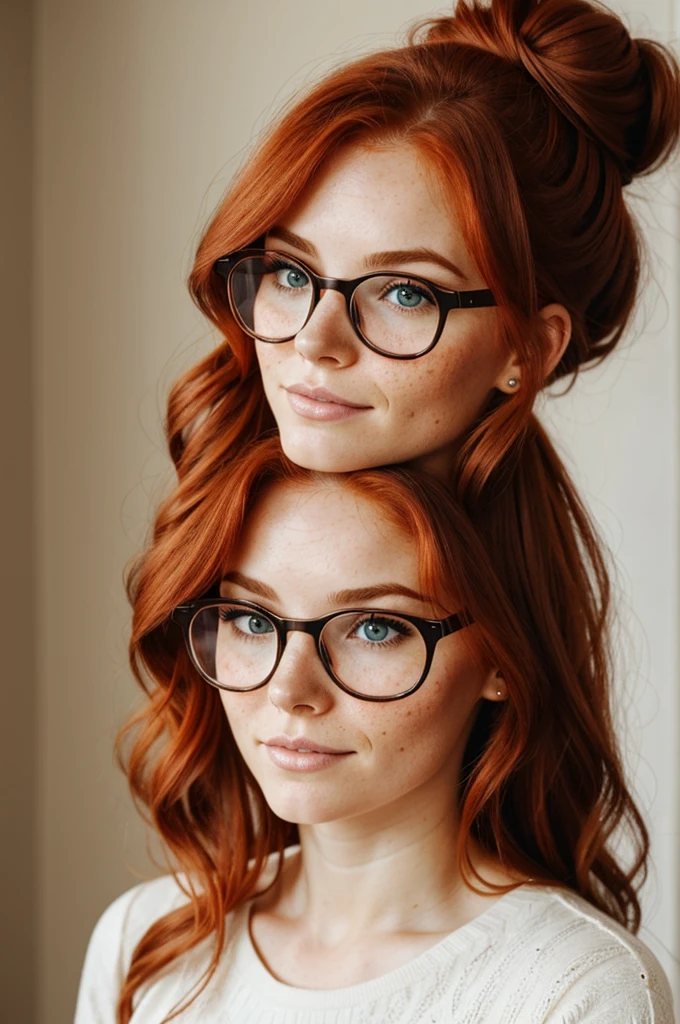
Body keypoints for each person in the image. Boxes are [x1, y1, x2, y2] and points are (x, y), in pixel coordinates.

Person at [75, 437, 673, 1022]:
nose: (289, 690)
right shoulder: (147, 941)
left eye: (376, 628)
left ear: (500, 658)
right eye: (249, 620)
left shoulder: (577, 990)